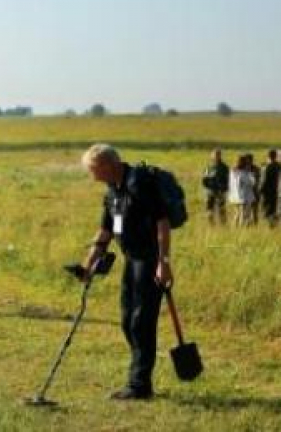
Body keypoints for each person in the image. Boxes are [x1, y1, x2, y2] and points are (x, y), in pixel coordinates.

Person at [79, 144, 171, 400]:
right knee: (127, 320)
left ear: (108, 165)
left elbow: (162, 222)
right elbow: (106, 231)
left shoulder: (139, 183)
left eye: (93, 170)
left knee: (141, 322)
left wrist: (164, 262)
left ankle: (140, 385)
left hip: (149, 259)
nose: (92, 176)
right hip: (131, 259)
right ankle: (139, 373)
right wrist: (88, 265)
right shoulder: (112, 191)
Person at [201, 149, 229, 225]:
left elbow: (228, 180)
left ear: (220, 156)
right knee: (209, 210)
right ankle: (212, 226)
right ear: (211, 156)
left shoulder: (224, 167)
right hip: (210, 192)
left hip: (220, 192)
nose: (216, 156)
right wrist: (206, 186)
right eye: (214, 155)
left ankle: (223, 226)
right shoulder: (209, 167)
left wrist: (224, 189)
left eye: (217, 155)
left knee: (221, 209)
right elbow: (204, 179)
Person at [228, 155, 256, 227]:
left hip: (234, 196)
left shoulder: (232, 171)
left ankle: (234, 228)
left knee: (237, 213)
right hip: (244, 196)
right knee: (244, 215)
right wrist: (250, 173)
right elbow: (252, 182)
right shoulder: (243, 173)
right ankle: (242, 229)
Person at [259, 149, 281, 227]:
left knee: (267, 212)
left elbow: (263, 181)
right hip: (275, 192)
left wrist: (259, 191)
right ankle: (274, 225)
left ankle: (270, 226)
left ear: (268, 156)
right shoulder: (278, 166)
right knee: (273, 210)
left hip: (267, 193)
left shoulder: (266, 167)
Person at [246, 153, 261, 224]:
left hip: (254, 192)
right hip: (247, 193)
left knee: (254, 212)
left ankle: (254, 226)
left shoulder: (256, 169)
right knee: (247, 212)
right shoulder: (256, 168)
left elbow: (258, 181)